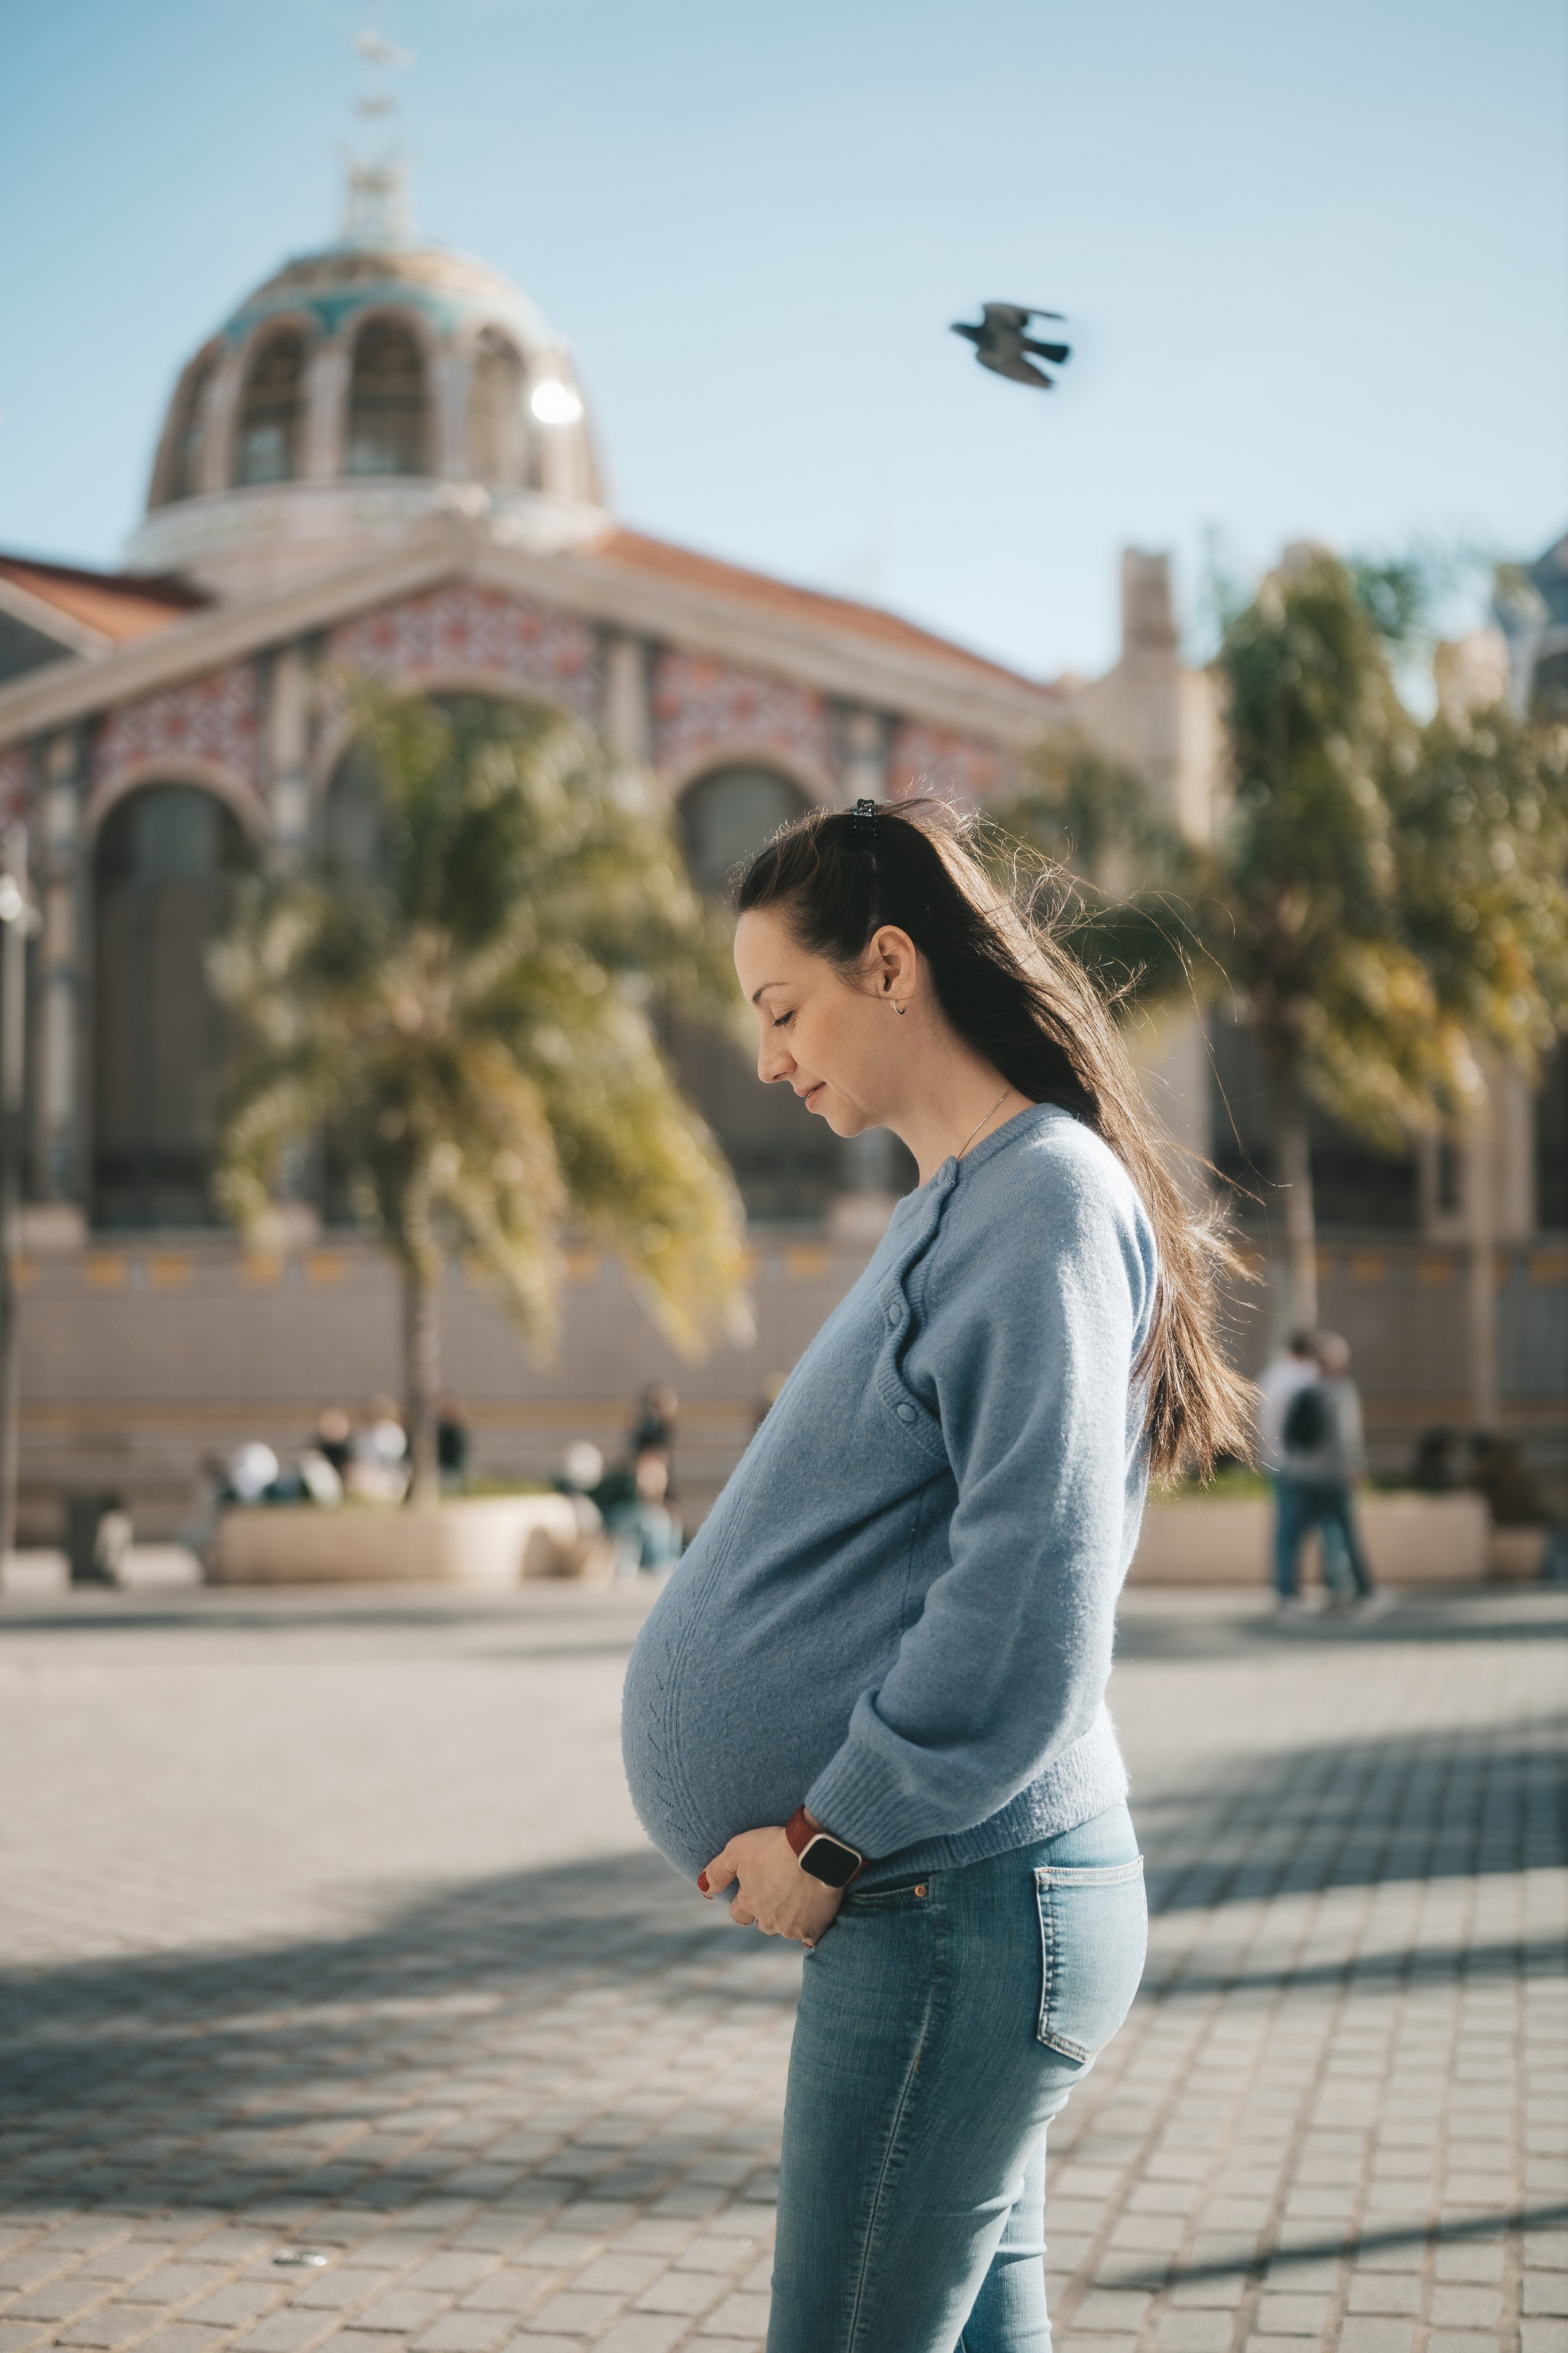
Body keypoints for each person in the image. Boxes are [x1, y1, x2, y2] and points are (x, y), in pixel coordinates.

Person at [621, 799, 1254, 2352]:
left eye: (784, 1008)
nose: (768, 1059)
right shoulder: (966, 1198)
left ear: (889, 963)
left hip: (946, 1898)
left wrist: (832, 1833)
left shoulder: (1038, 1194)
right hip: (954, 1904)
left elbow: (1030, 1579)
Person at [1274, 1333, 1390, 1615]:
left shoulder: (1302, 1390)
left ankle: (1287, 1595)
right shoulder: (1341, 1391)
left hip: (1301, 1475)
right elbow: (1346, 1437)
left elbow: (1287, 1434)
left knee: (1292, 1538)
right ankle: (1363, 1592)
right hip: (1332, 1478)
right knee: (1347, 1536)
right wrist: (1354, 1468)